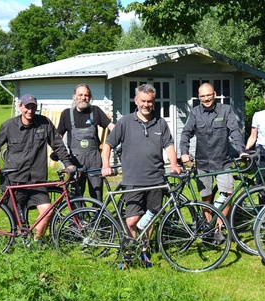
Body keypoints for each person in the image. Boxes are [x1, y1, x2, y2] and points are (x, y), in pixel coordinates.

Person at [102, 84, 181, 267]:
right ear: (136, 101)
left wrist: (175, 164)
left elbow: (168, 145)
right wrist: (106, 164)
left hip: (156, 179)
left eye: (150, 101)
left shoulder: (160, 123)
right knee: (132, 220)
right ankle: (131, 250)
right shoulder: (125, 122)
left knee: (150, 218)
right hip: (133, 179)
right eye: (143, 101)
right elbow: (108, 145)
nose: (146, 104)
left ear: (154, 102)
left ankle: (143, 251)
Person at [0, 94, 75, 248]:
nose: (30, 110)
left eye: (33, 107)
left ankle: (37, 241)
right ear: (20, 107)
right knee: (18, 223)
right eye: (27, 107)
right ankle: (22, 244)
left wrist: (68, 164)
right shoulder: (8, 126)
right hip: (14, 179)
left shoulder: (44, 123)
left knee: (48, 212)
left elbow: (58, 145)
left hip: (37, 180)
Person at [180, 82, 247, 242]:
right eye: (202, 96)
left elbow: (235, 132)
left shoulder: (225, 110)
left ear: (214, 94)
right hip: (202, 163)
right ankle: (208, 229)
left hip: (223, 162)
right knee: (207, 199)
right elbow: (185, 133)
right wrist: (184, 153)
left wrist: (241, 150)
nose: (206, 99)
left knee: (227, 195)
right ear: (199, 97)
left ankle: (220, 228)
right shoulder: (195, 112)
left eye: (208, 95)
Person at [57, 84, 115, 201]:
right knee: (76, 193)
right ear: (74, 96)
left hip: (94, 160)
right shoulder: (67, 114)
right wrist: (57, 152)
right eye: (80, 95)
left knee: (97, 192)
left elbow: (112, 127)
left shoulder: (96, 111)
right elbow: (58, 137)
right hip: (75, 160)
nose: (83, 97)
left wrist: (122, 136)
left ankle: (97, 217)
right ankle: (77, 219)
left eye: (86, 95)